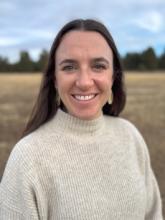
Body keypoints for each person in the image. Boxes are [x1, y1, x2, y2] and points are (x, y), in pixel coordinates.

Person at [0, 19, 163, 220]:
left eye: (98, 66)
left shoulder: (130, 136)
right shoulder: (28, 159)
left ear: (113, 77)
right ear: (55, 79)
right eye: (69, 67)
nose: (84, 82)